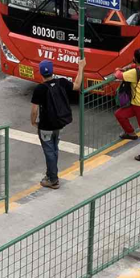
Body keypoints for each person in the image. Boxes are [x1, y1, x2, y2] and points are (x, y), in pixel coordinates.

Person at [30, 58, 85, 190]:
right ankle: (50, 174)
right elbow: (77, 85)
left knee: (49, 151)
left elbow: (34, 109)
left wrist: (33, 122)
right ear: (52, 71)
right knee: (54, 149)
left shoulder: (40, 89)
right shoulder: (61, 82)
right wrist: (81, 67)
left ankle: (53, 179)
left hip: (45, 126)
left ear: (41, 73)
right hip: (58, 124)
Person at [114, 49, 140, 161]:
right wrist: (129, 67)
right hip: (138, 104)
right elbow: (134, 66)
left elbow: (119, 75)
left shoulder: (135, 72)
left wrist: (118, 69)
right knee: (120, 114)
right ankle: (131, 133)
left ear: (135, 58)